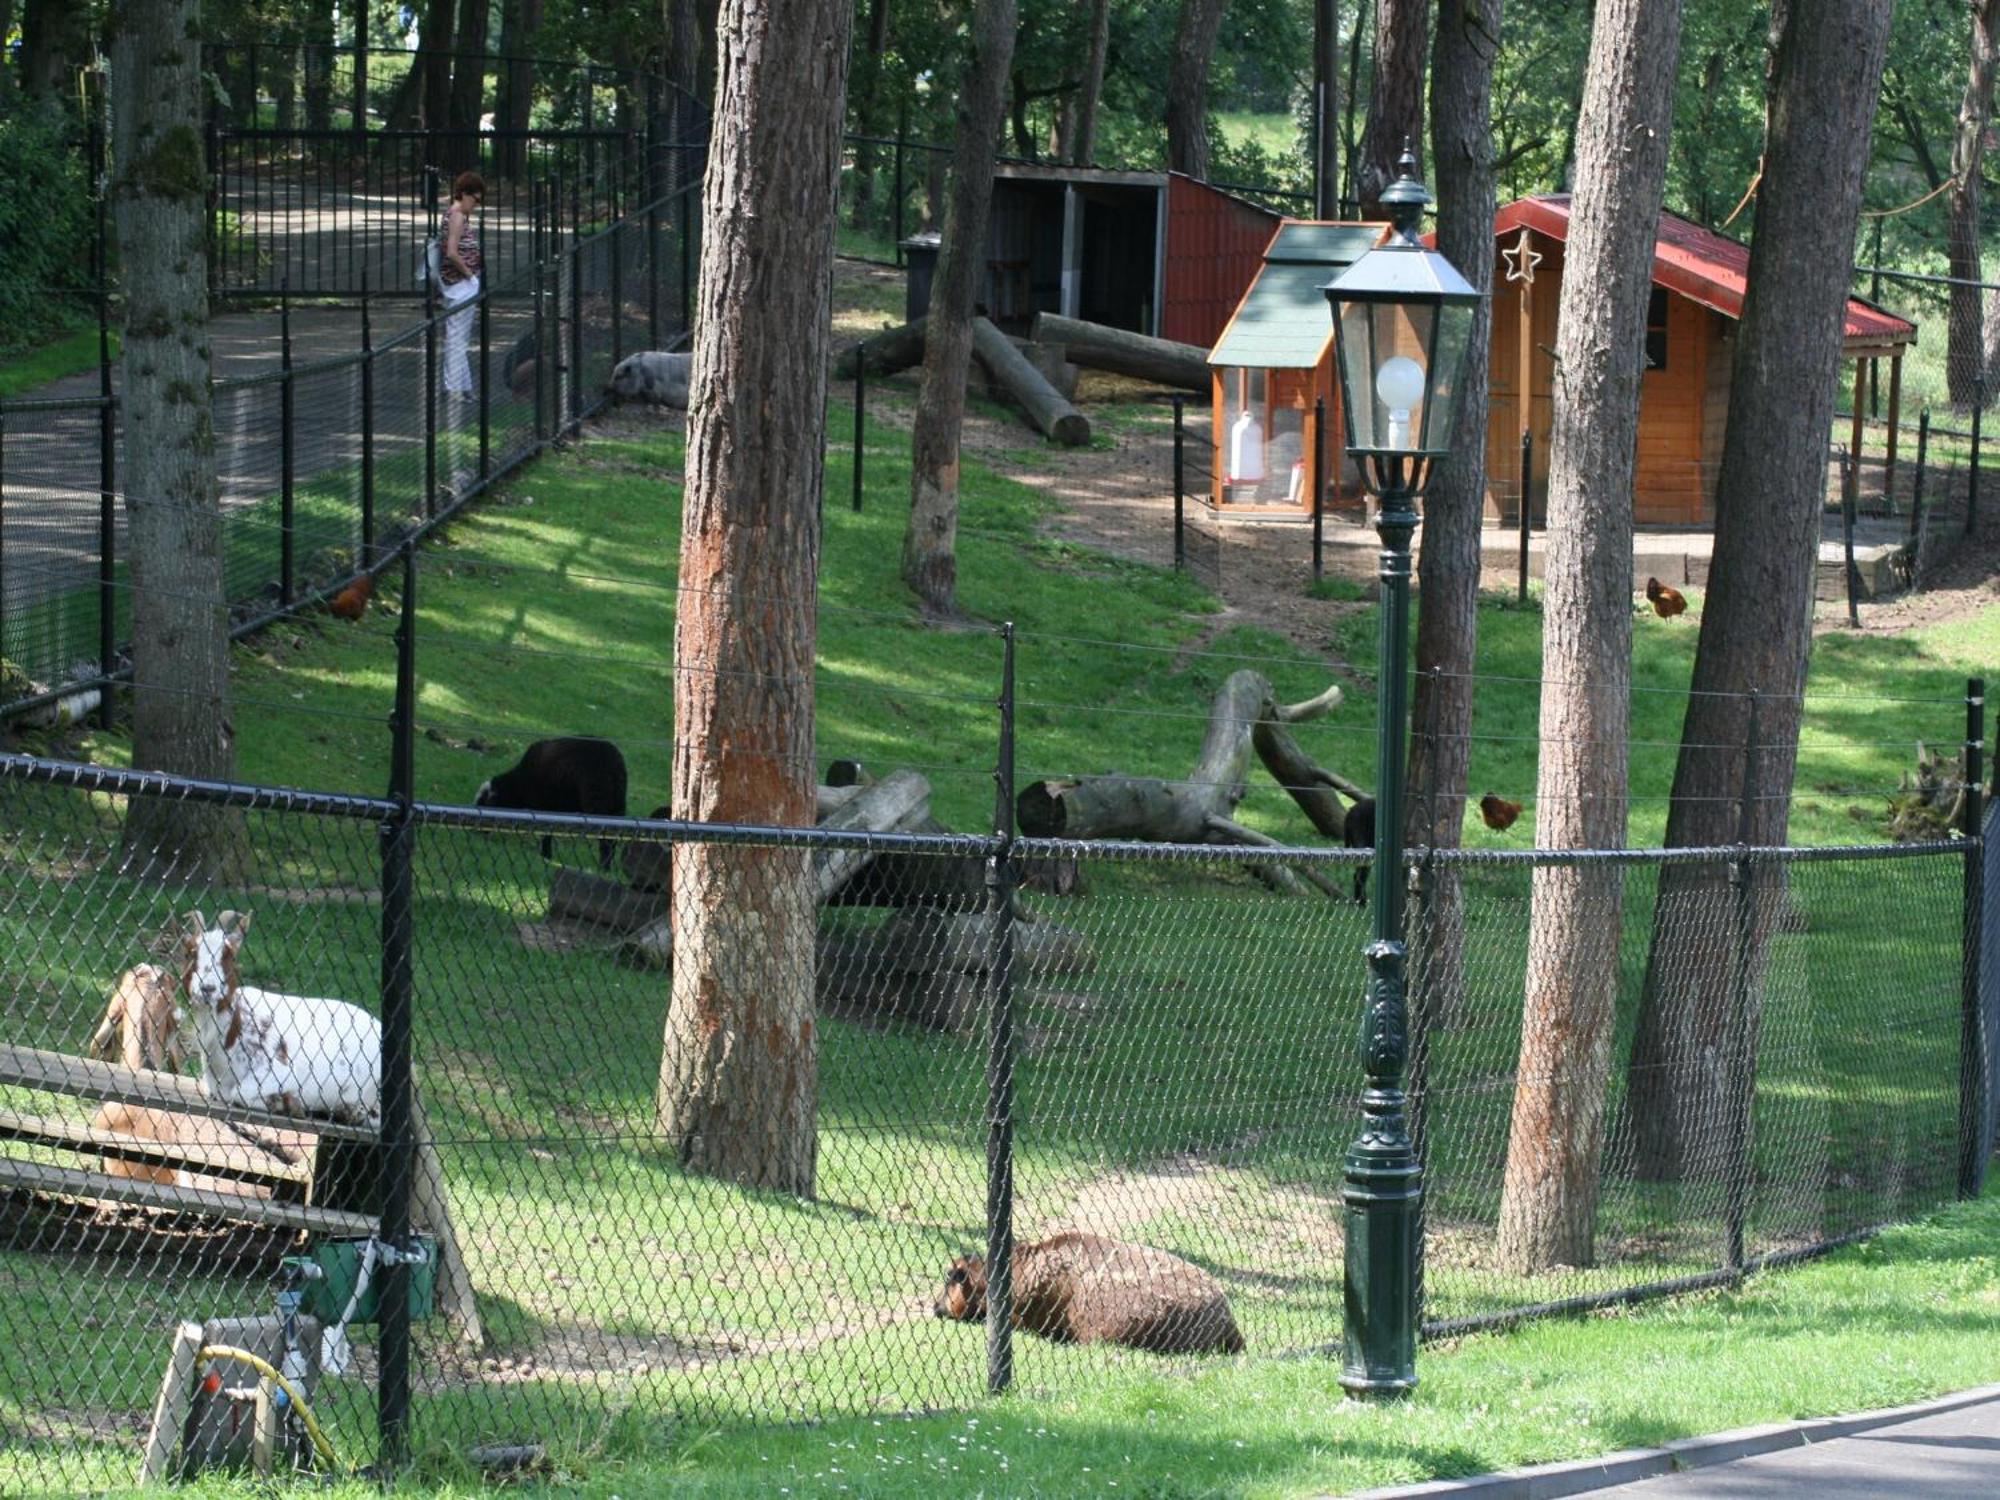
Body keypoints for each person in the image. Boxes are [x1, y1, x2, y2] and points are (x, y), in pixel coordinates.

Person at [438, 171, 485, 396]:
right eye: (475, 199)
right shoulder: (457, 215)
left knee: (459, 336)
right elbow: (452, 252)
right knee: (457, 337)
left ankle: (463, 387)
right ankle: (454, 387)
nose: (476, 205)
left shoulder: (457, 213)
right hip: (461, 284)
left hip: (462, 283)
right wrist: (471, 276)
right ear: (465, 194)